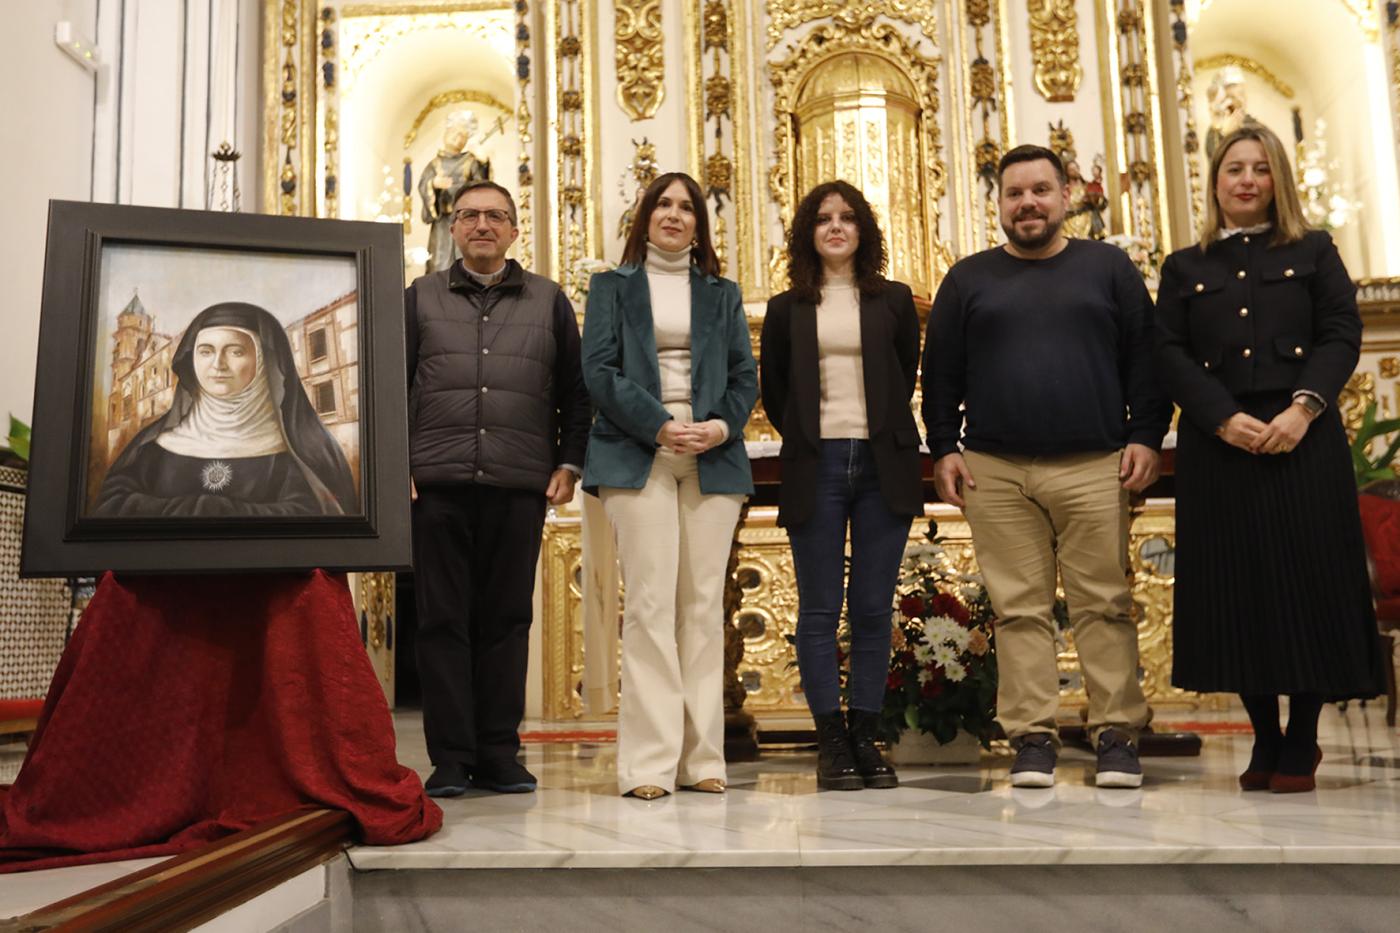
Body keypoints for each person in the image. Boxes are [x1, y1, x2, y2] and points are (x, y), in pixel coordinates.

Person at [922, 144, 1173, 789]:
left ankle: (1115, 733)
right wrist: (945, 446)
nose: (1027, 203)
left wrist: (1146, 435)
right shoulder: (968, 279)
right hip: (996, 468)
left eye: (1040, 190)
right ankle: (1032, 738)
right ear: (999, 204)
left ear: (1066, 197)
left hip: (1094, 462)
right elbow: (941, 373)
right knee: (1017, 611)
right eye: (1015, 193)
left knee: (1103, 604)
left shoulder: (1108, 268)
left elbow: (1145, 360)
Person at [1154, 124, 1385, 794]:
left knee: (1311, 581)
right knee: (1238, 587)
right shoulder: (1185, 266)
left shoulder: (1314, 250)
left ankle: (1304, 733)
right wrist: (1222, 418)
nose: (1247, 180)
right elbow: (1166, 351)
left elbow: (1340, 331)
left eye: (1260, 168)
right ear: (1215, 181)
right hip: (1219, 444)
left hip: (1302, 439)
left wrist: (1303, 408)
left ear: (1278, 179)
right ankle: (1264, 733)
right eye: (1235, 168)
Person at [406, 180, 590, 798]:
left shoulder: (549, 300)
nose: (482, 225)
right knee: (442, 622)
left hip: (518, 482)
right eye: (469, 215)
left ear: (514, 230)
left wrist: (569, 462)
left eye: (495, 216)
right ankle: (451, 758)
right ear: (453, 228)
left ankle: (499, 753)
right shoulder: (419, 297)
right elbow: (391, 386)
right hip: (436, 483)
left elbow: (575, 392)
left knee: (507, 621)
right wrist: (398, 466)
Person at [581, 171, 756, 799]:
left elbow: (744, 375)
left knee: (702, 607)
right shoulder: (611, 287)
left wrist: (719, 426)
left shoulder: (722, 293)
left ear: (699, 226)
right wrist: (658, 424)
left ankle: (703, 760)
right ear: (646, 216)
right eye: (664, 204)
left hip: (712, 453)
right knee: (651, 606)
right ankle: (649, 765)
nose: (674, 215)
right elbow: (598, 371)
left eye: (686, 207)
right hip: (638, 451)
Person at [759, 180, 921, 791]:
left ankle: (867, 735)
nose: (835, 227)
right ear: (808, 233)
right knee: (821, 609)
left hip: (884, 464)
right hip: (817, 464)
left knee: (874, 608)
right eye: (823, 218)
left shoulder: (893, 300)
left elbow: (904, 370)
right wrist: (813, 436)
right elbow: (776, 389)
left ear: (863, 231)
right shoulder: (787, 308)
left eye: (847, 218)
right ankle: (831, 740)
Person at [95, 302, 357, 518]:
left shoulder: (301, 450)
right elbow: (111, 506)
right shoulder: (152, 446)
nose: (218, 364)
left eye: (235, 351)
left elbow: (315, 521)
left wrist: (209, 511)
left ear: (262, 361)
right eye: (206, 351)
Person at [418, 111, 491, 274]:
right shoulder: (434, 164)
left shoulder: (471, 161)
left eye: (462, 136)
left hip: (466, 222)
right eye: (454, 132)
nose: (457, 138)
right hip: (443, 224)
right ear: (446, 133)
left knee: (467, 263)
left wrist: (484, 163)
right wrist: (434, 184)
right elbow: (424, 185)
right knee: (440, 264)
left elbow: (483, 188)